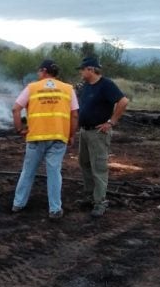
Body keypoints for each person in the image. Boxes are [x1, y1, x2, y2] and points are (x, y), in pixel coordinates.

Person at [11, 59, 79, 220]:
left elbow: (15, 109)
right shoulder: (68, 89)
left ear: (44, 71)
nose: (38, 74)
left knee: (28, 172)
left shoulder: (32, 88)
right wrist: (71, 134)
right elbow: (74, 114)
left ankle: (18, 204)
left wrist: (20, 129)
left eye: (39, 71)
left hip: (35, 137)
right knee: (54, 173)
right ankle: (55, 209)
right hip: (58, 138)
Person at [76, 56, 129, 217]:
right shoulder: (86, 86)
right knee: (84, 163)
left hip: (98, 133)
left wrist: (111, 122)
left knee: (98, 167)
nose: (81, 72)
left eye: (82, 69)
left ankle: (100, 201)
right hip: (85, 131)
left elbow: (123, 101)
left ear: (90, 70)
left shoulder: (106, 85)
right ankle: (90, 195)